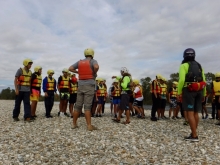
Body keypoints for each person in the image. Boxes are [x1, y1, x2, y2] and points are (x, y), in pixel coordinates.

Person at [178, 48, 206, 142]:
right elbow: (204, 80)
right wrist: (204, 94)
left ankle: (194, 136)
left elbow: (181, 80)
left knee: (190, 112)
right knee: (195, 113)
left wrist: (179, 92)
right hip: (199, 90)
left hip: (189, 90)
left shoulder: (184, 65)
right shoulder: (199, 65)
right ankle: (194, 132)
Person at [69, 48, 99, 131]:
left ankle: (74, 124)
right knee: (87, 106)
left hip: (80, 85)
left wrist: (78, 72)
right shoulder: (93, 61)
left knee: (78, 105)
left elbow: (70, 68)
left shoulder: (80, 62)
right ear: (92, 54)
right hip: (89, 85)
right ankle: (89, 126)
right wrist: (94, 72)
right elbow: (96, 66)